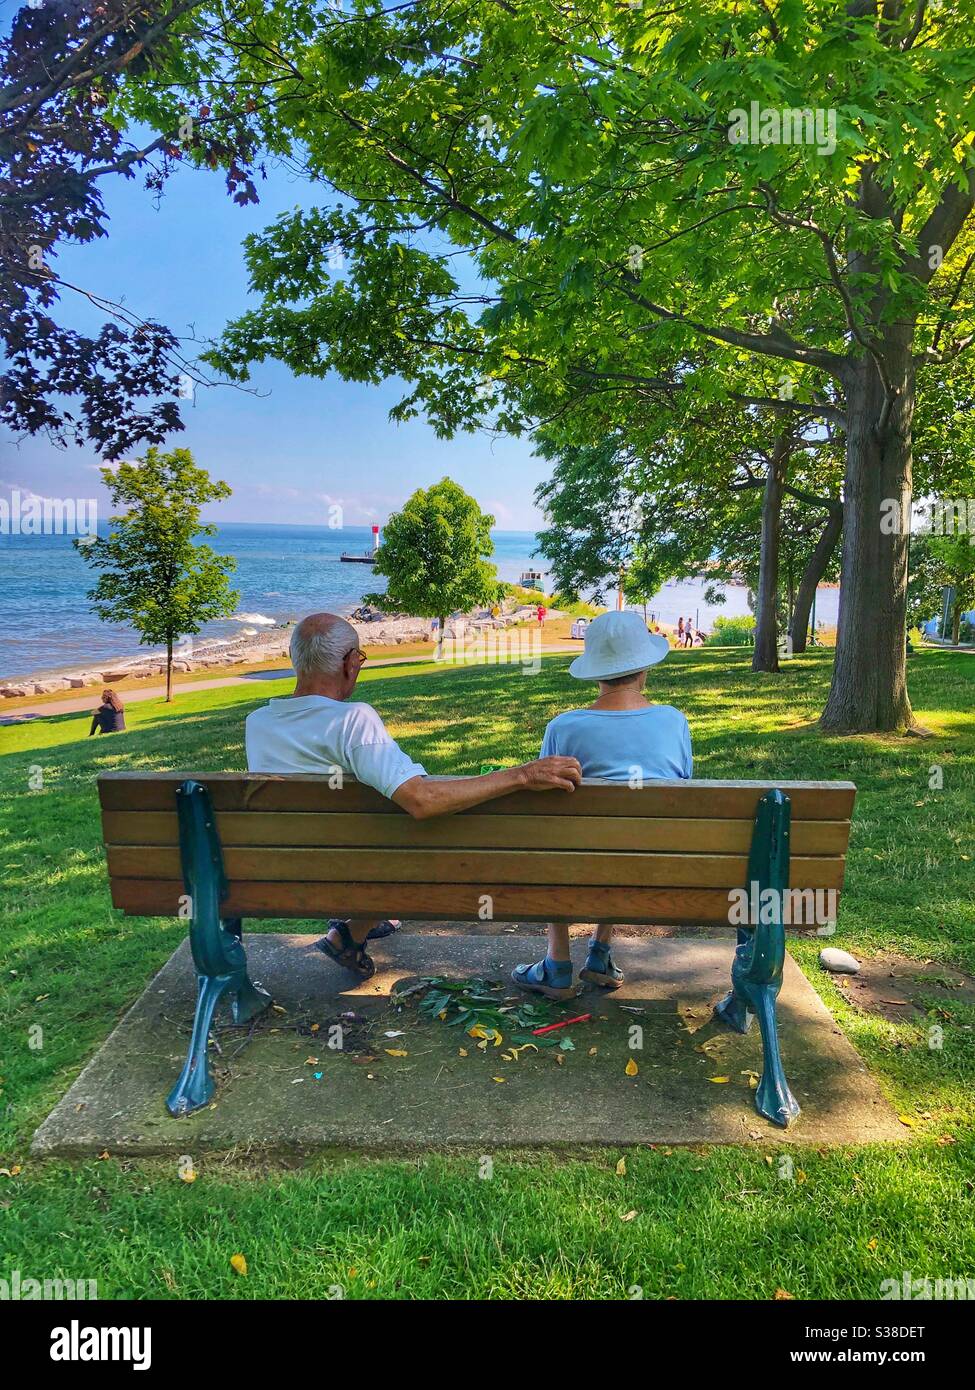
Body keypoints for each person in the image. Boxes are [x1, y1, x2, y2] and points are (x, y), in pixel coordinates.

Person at [245, 613, 582, 978]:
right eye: (359, 658)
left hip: (282, 872)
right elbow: (422, 800)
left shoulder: (258, 724)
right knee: (435, 829)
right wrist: (522, 774)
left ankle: (349, 934)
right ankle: (350, 932)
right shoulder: (352, 720)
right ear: (348, 663)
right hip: (356, 870)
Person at [512, 610, 693, 1000]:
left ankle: (557, 964)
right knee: (629, 830)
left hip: (576, 866)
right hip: (656, 869)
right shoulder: (674, 723)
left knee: (556, 836)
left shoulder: (564, 727)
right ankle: (600, 952)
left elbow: (545, 807)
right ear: (644, 668)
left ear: (596, 672)